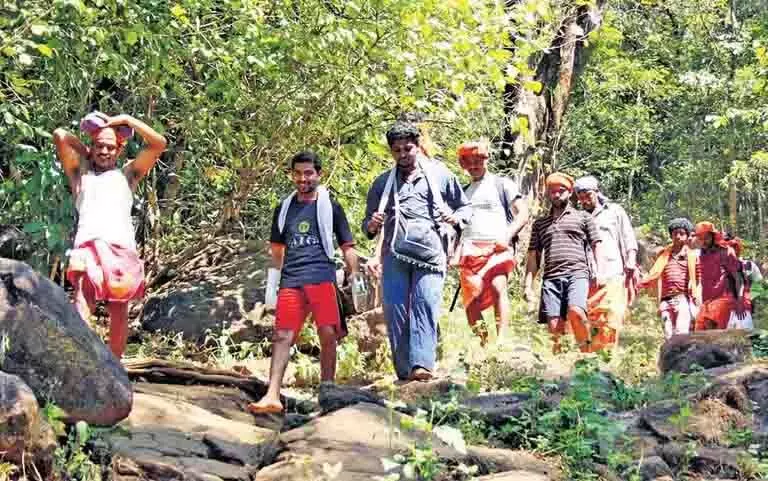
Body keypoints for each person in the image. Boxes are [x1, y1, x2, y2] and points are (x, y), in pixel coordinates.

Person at [248, 151, 359, 414]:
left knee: (329, 334)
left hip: (322, 276)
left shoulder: (330, 206)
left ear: (318, 174)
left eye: (308, 173)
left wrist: (354, 274)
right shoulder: (284, 208)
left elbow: (347, 245)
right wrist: (271, 289)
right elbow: (276, 250)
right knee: (282, 335)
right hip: (292, 279)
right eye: (298, 173)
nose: (303, 178)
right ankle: (272, 394)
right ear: (292, 175)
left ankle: (327, 390)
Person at [363, 121, 471, 381]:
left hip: (431, 255)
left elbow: (465, 209)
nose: (402, 155)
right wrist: (373, 224)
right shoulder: (382, 184)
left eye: (407, 149)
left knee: (426, 304)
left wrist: (453, 218)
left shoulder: (440, 175)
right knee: (395, 309)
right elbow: (367, 228)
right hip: (395, 255)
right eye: (397, 150)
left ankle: (421, 365)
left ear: (418, 146)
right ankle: (403, 372)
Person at [54, 111, 167, 358]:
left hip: (120, 251)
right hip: (88, 249)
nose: (104, 152)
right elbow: (60, 135)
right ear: (92, 146)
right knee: (81, 305)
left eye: (110, 147)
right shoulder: (80, 175)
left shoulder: (128, 175)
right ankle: (77, 364)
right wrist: (89, 148)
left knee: (118, 315)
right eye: (99, 147)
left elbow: (159, 143)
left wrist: (127, 119)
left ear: (119, 150)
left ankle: (114, 371)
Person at [455, 141, 529, 345]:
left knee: (498, 287)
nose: (473, 166)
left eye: (477, 161)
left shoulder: (502, 184)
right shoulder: (462, 192)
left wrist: (508, 234)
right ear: (463, 165)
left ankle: (502, 341)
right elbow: (455, 225)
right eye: (468, 162)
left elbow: (523, 213)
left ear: (486, 159)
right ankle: (484, 345)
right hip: (469, 250)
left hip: (497, 246)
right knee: (471, 303)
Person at [524, 173, 602, 353]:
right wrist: (528, 285)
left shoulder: (583, 217)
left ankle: (587, 354)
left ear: (569, 192)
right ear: (548, 194)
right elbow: (533, 255)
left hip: (578, 273)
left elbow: (596, 245)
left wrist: (600, 271)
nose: (556, 195)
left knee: (576, 311)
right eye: (552, 192)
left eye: (561, 191)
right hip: (551, 278)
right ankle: (559, 363)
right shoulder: (540, 223)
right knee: (554, 325)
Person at [574, 175, 638, 351]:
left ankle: (608, 356)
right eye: (580, 197)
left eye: (588, 195)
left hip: (613, 271)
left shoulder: (614, 211)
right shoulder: (578, 216)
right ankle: (589, 358)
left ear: (596, 192)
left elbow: (627, 236)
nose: (585, 200)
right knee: (590, 317)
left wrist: (631, 260)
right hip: (587, 275)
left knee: (611, 316)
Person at [638, 218, 699, 338]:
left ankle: (682, 357)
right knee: (668, 335)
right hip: (665, 301)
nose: (678, 236)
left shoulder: (692, 256)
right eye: (675, 233)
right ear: (671, 235)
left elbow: (699, 279)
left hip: (682, 299)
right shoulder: (663, 255)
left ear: (687, 236)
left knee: (681, 334)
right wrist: (638, 284)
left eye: (681, 233)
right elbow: (653, 275)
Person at [693, 221, 745, 330]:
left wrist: (740, 300)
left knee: (712, 325)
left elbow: (738, 278)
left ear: (713, 236)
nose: (704, 241)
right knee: (699, 328)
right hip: (707, 301)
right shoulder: (701, 254)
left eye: (706, 237)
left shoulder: (725, 251)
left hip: (724, 298)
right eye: (701, 238)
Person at [723, 233, 762, 329]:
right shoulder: (719, 266)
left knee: (742, 336)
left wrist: (749, 300)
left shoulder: (748, 265)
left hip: (743, 308)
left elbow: (759, 286)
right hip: (724, 308)